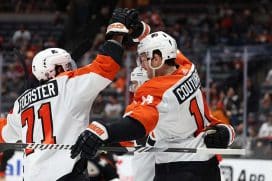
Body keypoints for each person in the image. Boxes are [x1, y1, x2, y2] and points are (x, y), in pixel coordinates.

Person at [0, 8, 150, 181]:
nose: (71, 69)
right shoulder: (66, 85)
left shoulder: (20, 103)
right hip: (66, 175)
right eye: (66, 65)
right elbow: (106, 66)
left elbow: (4, 133)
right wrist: (116, 33)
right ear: (55, 69)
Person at [71, 31, 235, 181]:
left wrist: (103, 131)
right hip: (207, 165)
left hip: (178, 169)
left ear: (157, 59)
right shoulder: (188, 67)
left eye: (143, 59)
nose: (142, 65)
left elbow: (137, 126)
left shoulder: (155, 90)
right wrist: (141, 30)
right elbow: (168, 49)